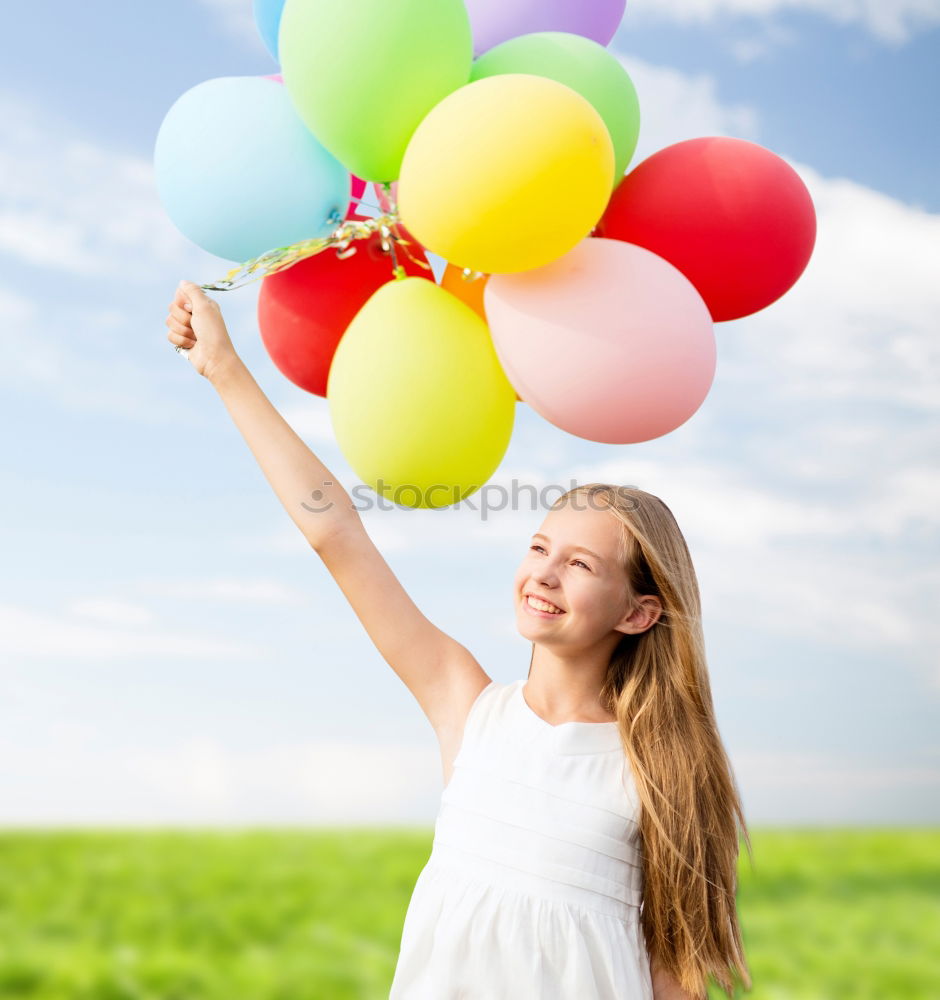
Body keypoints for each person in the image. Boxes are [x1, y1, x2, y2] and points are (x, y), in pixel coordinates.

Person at [165, 280, 752, 1000]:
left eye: (579, 564)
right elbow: (334, 533)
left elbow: (676, 979)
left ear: (637, 613)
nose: (544, 575)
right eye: (540, 548)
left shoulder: (659, 763)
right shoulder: (467, 706)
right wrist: (226, 369)